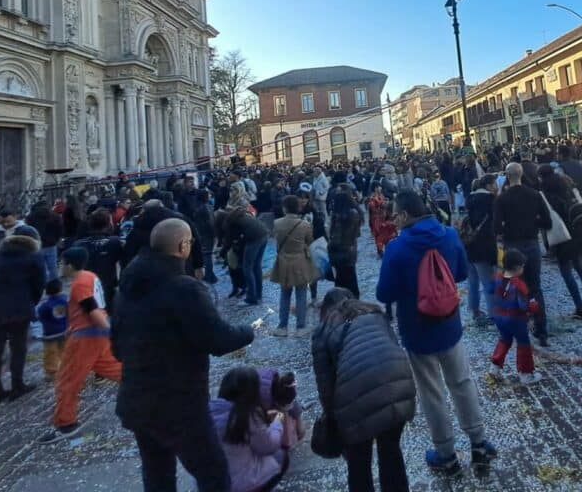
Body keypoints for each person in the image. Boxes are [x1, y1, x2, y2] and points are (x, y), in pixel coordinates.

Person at [112, 218, 255, 492]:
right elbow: (218, 339)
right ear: (182, 246)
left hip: (136, 400)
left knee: (157, 475)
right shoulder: (183, 288)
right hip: (179, 402)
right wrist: (248, 331)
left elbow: (116, 349)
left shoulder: (126, 291)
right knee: (213, 473)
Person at [376, 191, 496, 475]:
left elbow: (384, 292)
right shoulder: (449, 235)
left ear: (405, 215)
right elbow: (461, 274)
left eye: (395, 214)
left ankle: (446, 454)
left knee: (432, 393)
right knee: (462, 381)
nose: (393, 219)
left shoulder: (397, 247)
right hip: (449, 322)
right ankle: (479, 442)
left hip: (416, 329)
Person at [313, 288, 416, 492]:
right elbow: (391, 346)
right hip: (398, 384)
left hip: (355, 395)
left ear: (325, 309)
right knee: (391, 451)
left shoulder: (322, 331)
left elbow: (325, 386)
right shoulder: (374, 313)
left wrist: (332, 418)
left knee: (358, 460)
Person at [39, 247, 123, 443]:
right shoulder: (90, 276)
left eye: (62, 263)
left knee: (67, 380)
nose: (60, 266)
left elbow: (91, 310)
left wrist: (111, 333)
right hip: (96, 335)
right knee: (116, 369)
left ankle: (65, 423)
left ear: (69, 265)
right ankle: (151, 385)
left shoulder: (79, 284)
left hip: (85, 338)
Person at [0, 231, 45, 407]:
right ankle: (17, 385)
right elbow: (39, 285)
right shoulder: (33, 259)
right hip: (20, 308)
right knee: (18, 348)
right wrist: (30, 302)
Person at [492, 162, 552, 346]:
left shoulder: (502, 199)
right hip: (532, 244)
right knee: (535, 288)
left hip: (512, 246)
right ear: (522, 174)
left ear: (507, 176)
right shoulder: (534, 195)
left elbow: (496, 227)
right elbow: (548, 221)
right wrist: (534, 224)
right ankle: (541, 331)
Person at [208, 367, 291, 492]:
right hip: (239, 484)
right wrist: (277, 421)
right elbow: (269, 446)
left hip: (210, 482)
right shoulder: (245, 416)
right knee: (281, 456)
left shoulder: (207, 410)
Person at [538, 163, 582, 319]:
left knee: (566, 272)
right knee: (581, 268)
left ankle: (579, 306)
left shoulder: (547, 196)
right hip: (577, 232)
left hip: (563, 236)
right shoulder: (567, 186)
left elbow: (547, 220)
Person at [487, 248, 542, 384]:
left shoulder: (496, 278)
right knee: (523, 344)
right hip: (515, 320)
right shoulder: (519, 285)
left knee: (504, 340)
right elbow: (524, 306)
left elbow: (489, 290)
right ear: (517, 267)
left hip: (499, 317)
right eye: (522, 266)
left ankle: (494, 367)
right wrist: (534, 306)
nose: (523, 268)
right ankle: (525, 374)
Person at [268, 195, 319, 337]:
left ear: (284, 208)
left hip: (283, 261)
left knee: (284, 294)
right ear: (298, 207)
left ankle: (282, 326)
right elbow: (310, 242)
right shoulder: (305, 225)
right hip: (300, 261)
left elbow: (276, 241)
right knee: (301, 294)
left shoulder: (277, 223)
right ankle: (300, 327)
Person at [465, 174, 499, 325]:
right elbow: (494, 225)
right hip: (484, 245)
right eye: (495, 184)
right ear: (489, 185)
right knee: (488, 282)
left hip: (468, 243)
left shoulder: (469, 199)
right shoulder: (491, 201)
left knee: (472, 280)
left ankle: (475, 310)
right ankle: (494, 315)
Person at [328, 190, 362, 298]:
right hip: (351, 249)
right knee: (352, 276)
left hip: (340, 252)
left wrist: (328, 247)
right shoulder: (355, 213)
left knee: (341, 279)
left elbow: (335, 239)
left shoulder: (338, 216)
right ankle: (354, 298)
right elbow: (357, 234)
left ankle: (343, 301)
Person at [36, 278, 68, 381]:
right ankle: (66, 368)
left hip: (50, 334)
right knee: (64, 350)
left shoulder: (44, 306)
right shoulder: (65, 301)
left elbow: (39, 316)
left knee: (50, 353)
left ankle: (51, 372)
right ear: (60, 289)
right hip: (64, 331)